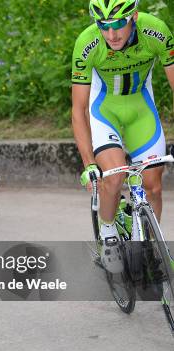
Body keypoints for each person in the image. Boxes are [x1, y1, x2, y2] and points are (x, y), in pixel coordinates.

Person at [72, 0, 174, 273]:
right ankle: (107, 235)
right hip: (105, 111)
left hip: (141, 111)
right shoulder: (87, 43)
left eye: (118, 23)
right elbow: (79, 109)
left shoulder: (156, 31)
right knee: (114, 177)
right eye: (103, 25)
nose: (112, 34)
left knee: (152, 185)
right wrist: (88, 163)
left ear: (134, 17)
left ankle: (151, 248)